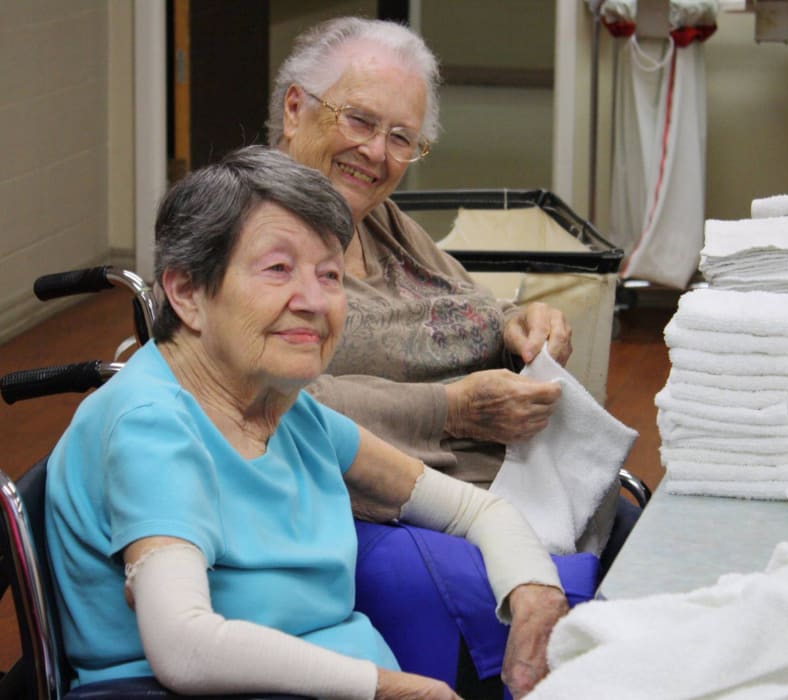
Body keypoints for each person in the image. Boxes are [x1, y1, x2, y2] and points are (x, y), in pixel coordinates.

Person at [45, 146, 571, 699]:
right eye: (277, 269)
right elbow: (183, 647)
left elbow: (475, 508)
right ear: (187, 293)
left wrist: (532, 587)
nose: (314, 301)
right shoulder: (152, 427)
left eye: (330, 274)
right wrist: (391, 688)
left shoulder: (284, 408)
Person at [268, 16, 638, 562]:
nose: (376, 152)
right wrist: (453, 410)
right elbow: (267, 402)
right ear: (295, 109)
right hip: (387, 511)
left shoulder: (377, 220)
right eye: (359, 121)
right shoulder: (254, 234)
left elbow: (470, 302)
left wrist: (520, 321)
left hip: (504, 488)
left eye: (401, 138)